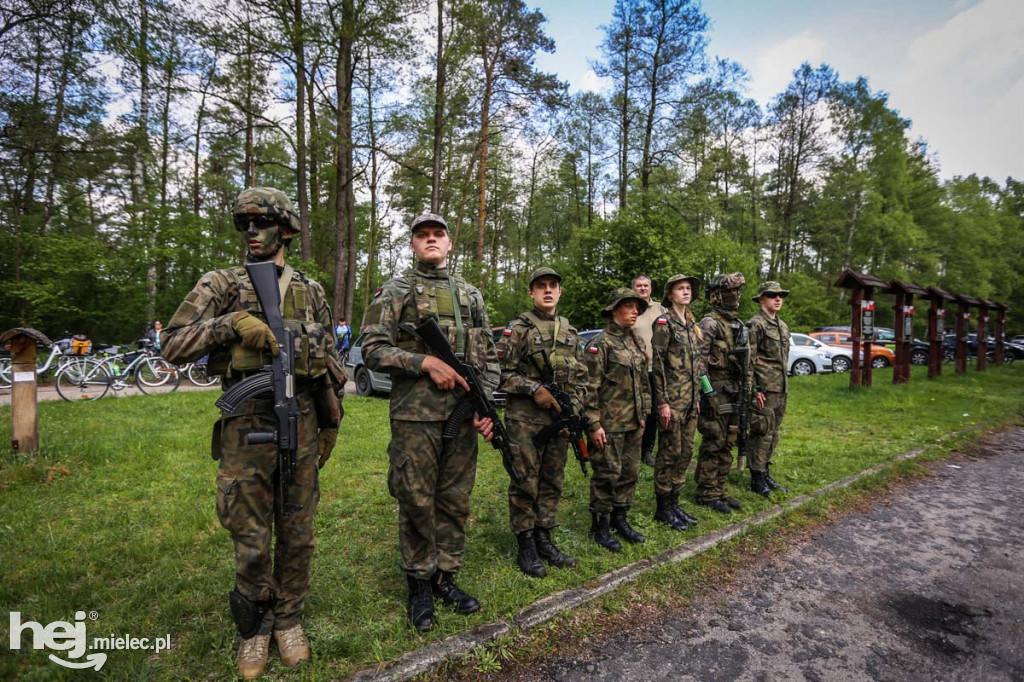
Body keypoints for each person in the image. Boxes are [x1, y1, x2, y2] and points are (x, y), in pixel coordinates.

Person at [163, 187, 345, 679]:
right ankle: (255, 627)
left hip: (302, 418)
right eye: (244, 225)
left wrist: (331, 421)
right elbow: (171, 343)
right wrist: (232, 324)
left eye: (261, 223)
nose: (251, 233)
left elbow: (330, 362)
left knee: (299, 527)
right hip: (246, 424)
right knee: (249, 531)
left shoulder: (312, 290)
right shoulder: (222, 283)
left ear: (285, 230)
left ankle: (289, 619)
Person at [359, 212, 497, 633]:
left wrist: (485, 406)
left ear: (449, 244)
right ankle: (419, 582)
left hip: (461, 415)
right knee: (416, 498)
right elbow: (371, 349)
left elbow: (488, 355)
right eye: (423, 235)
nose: (431, 240)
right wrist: (423, 361)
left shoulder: (471, 295)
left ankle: (446, 577)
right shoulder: (396, 290)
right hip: (415, 416)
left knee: (455, 498)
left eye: (438, 234)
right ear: (413, 244)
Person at [496, 267, 588, 577]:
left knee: (552, 480)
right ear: (531, 293)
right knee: (525, 479)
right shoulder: (518, 329)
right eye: (541, 286)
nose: (547, 290)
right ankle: (526, 543)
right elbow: (501, 375)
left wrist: (571, 409)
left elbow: (584, 380)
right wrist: (533, 388)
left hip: (558, 421)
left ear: (560, 292)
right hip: (525, 421)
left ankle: (544, 536)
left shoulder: (571, 333)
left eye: (553, 285)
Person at [584, 288, 651, 552]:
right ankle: (599, 526)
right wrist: (593, 423)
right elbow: (588, 387)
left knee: (629, 473)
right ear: (614, 310)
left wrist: (644, 414)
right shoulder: (600, 345)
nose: (635, 311)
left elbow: (643, 383)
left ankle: (619, 519)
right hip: (609, 424)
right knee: (607, 475)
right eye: (629, 306)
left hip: (633, 422)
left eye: (638, 307)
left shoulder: (635, 342)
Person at [694, 273, 755, 514]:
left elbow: (748, 361)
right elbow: (698, 362)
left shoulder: (738, 324)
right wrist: (707, 394)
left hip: (736, 391)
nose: (735, 297)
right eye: (729, 293)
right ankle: (706, 491)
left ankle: (719, 487)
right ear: (717, 296)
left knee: (730, 440)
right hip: (715, 390)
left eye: (737, 293)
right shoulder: (709, 323)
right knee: (714, 440)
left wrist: (748, 388)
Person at [650, 274, 703, 531]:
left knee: (685, 452)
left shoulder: (690, 323)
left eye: (688, 288)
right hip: (672, 401)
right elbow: (657, 364)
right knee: (669, 453)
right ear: (670, 295)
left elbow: (697, 365)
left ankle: (675, 503)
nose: (686, 292)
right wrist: (662, 403)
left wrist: (699, 397)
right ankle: (663, 508)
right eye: (680, 289)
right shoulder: (664, 323)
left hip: (691, 401)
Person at [746, 282, 791, 496]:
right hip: (764, 388)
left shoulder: (782, 326)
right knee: (761, 432)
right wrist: (754, 389)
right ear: (761, 299)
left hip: (780, 387)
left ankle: (765, 472)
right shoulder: (755, 325)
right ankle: (756, 477)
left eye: (780, 295)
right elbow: (749, 360)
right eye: (772, 295)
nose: (778, 299)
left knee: (774, 433)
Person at [631, 274, 666, 467]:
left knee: (653, 412)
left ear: (651, 289)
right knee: (637, 411)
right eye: (639, 286)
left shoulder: (660, 309)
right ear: (633, 289)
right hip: (636, 370)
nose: (643, 289)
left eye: (646, 286)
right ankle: (632, 449)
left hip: (657, 370)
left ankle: (647, 451)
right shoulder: (629, 308)